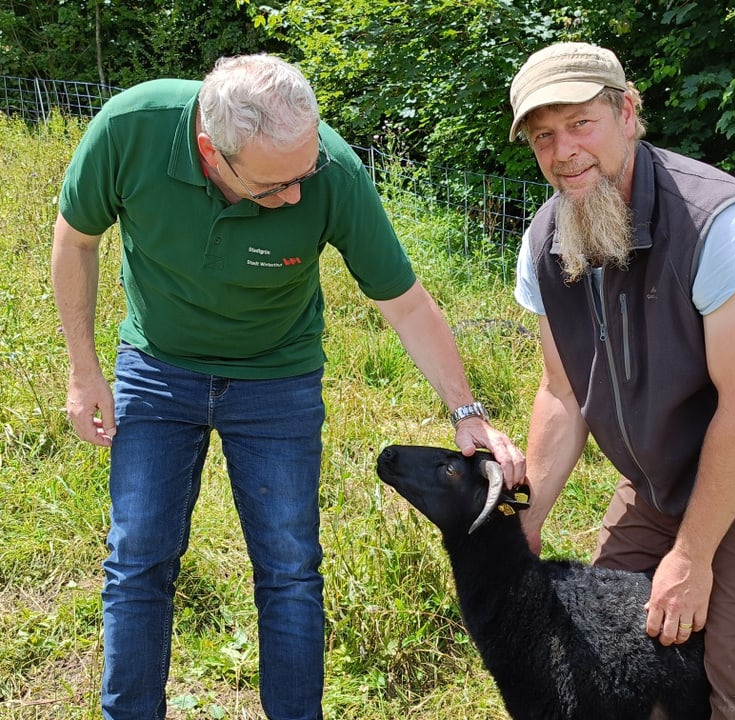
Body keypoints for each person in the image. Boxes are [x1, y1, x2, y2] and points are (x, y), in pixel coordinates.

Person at [51, 53, 525, 720]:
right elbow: (74, 241)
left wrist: (467, 410)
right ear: (211, 152)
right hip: (158, 369)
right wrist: (84, 368)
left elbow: (408, 304)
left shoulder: (328, 171)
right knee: (138, 561)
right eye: (277, 187)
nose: (298, 196)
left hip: (277, 379)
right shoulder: (133, 127)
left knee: (290, 571)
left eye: (306, 174)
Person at [509, 42, 735, 719]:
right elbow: (562, 392)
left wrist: (692, 558)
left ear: (628, 112)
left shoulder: (720, 224)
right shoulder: (546, 242)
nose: (564, 150)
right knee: (608, 627)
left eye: (581, 123)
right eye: (544, 136)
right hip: (668, 469)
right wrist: (526, 519)